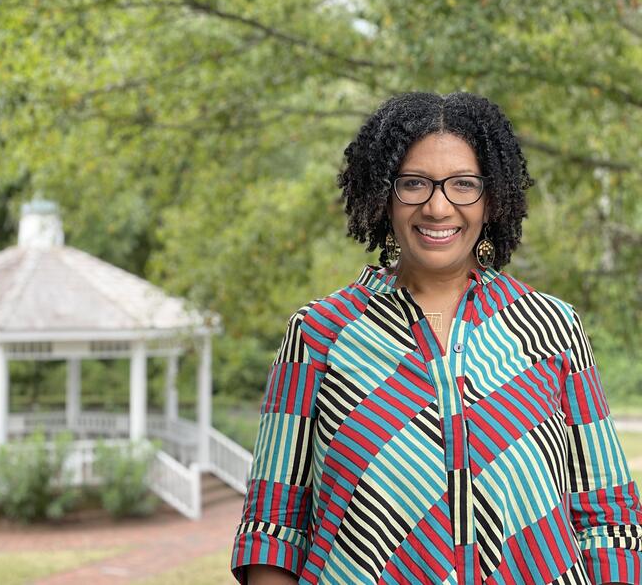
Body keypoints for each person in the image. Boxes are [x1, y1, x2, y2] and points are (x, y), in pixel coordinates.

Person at [230, 92, 642, 584]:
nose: (438, 206)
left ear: (492, 200)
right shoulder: (319, 334)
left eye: (463, 185)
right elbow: (275, 526)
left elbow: (608, 513)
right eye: (414, 184)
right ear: (384, 194)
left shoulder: (553, 328)